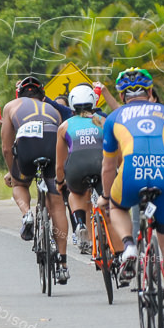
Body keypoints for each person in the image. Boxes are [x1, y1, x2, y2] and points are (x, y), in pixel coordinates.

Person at [100, 67, 164, 328]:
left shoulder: (113, 117)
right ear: (150, 93)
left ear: (122, 96)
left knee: (116, 205)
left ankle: (129, 246)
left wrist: (105, 197)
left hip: (132, 173)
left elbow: (107, 166)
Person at [1, 75, 71, 285]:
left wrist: (12, 172)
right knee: (57, 204)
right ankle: (63, 263)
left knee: (20, 183)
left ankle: (27, 215)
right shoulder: (54, 110)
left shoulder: (11, 106)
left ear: (19, 94)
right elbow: (63, 145)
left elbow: (6, 147)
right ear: (42, 95)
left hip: (27, 145)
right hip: (51, 146)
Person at [55, 84, 108, 256]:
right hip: (100, 165)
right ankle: (116, 248)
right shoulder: (103, 121)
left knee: (75, 194)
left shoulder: (64, 126)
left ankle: (79, 223)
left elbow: (60, 163)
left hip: (76, 168)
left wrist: (60, 181)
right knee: (108, 201)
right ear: (94, 102)